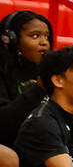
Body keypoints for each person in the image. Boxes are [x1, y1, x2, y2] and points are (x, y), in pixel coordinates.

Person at [0, 10, 52, 146]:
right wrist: (39, 89)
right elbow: (3, 125)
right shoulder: (3, 72)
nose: (44, 42)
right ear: (12, 40)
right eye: (35, 36)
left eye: (47, 36)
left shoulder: (51, 72)